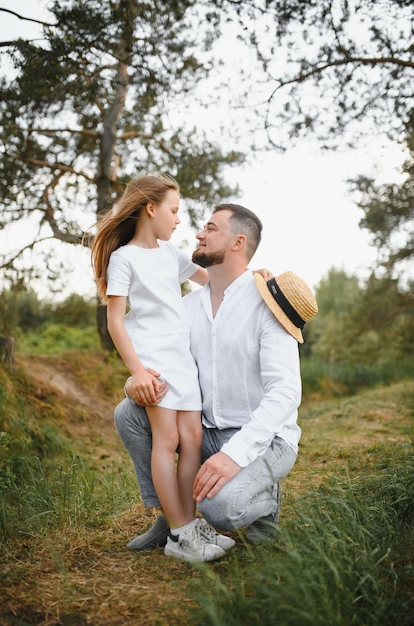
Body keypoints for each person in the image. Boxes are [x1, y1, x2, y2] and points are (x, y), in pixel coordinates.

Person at [115, 202, 318, 552]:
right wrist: (135, 381)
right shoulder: (185, 308)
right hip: (205, 432)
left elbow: (285, 393)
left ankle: (265, 504)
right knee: (127, 414)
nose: (198, 233)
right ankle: (175, 519)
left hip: (266, 439)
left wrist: (233, 456)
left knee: (219, 508)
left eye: (211, 228)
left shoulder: (268, 305)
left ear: (238, 243)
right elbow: (156, 358)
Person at [91, 173, 235, 564]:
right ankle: (178, 532)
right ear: (150, 208)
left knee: (191, 440)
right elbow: (116, 321)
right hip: (154, 360)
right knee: (166, 440)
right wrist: (137, 371)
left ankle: (190, 523)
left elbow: (214, 281)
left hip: (181, 358)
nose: (178, 219)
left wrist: (255, 281)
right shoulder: (124, 258)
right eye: (173, 210)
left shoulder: (172, 255)